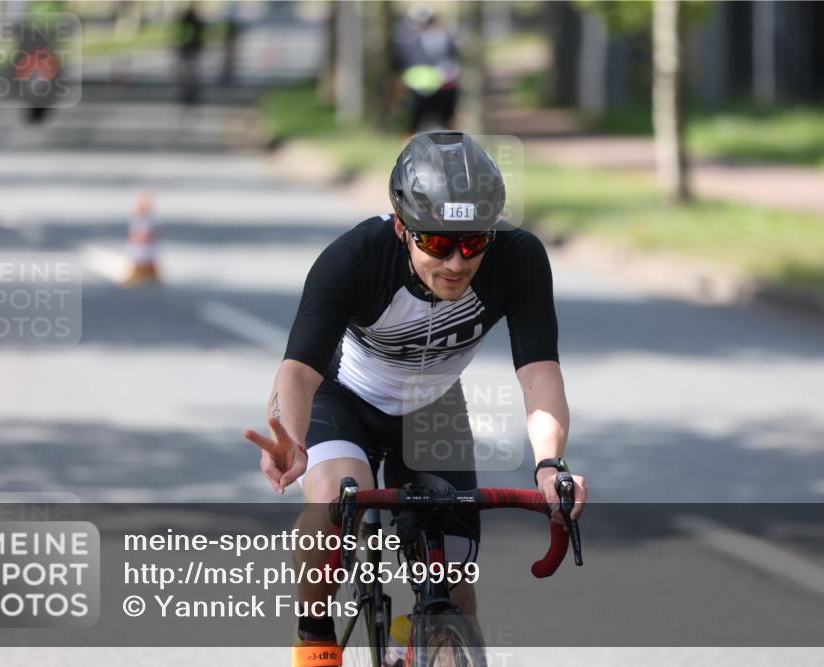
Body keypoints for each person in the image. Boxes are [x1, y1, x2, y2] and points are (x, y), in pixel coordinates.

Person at [245, 132, 587, 667]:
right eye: (436, 244)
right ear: (403, 228)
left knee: (455, 589)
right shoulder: (355, 259)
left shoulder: (519, 259)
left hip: (431, 409)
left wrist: (550, 465)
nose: (455, 263)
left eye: (472, 243)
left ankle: (425, 636)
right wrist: (291, 436)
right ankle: (315, 637)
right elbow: (298, 372)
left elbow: (539, 372)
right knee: (335, 498)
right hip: (345, 398)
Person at [391, 5, 461, 133]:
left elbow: (453, 61)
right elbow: (400, 68)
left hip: (444, 90)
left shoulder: (445, 39)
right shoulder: (406, 44)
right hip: (417, 94)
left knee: (448, 124)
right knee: (412, 126)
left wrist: (447, 74)